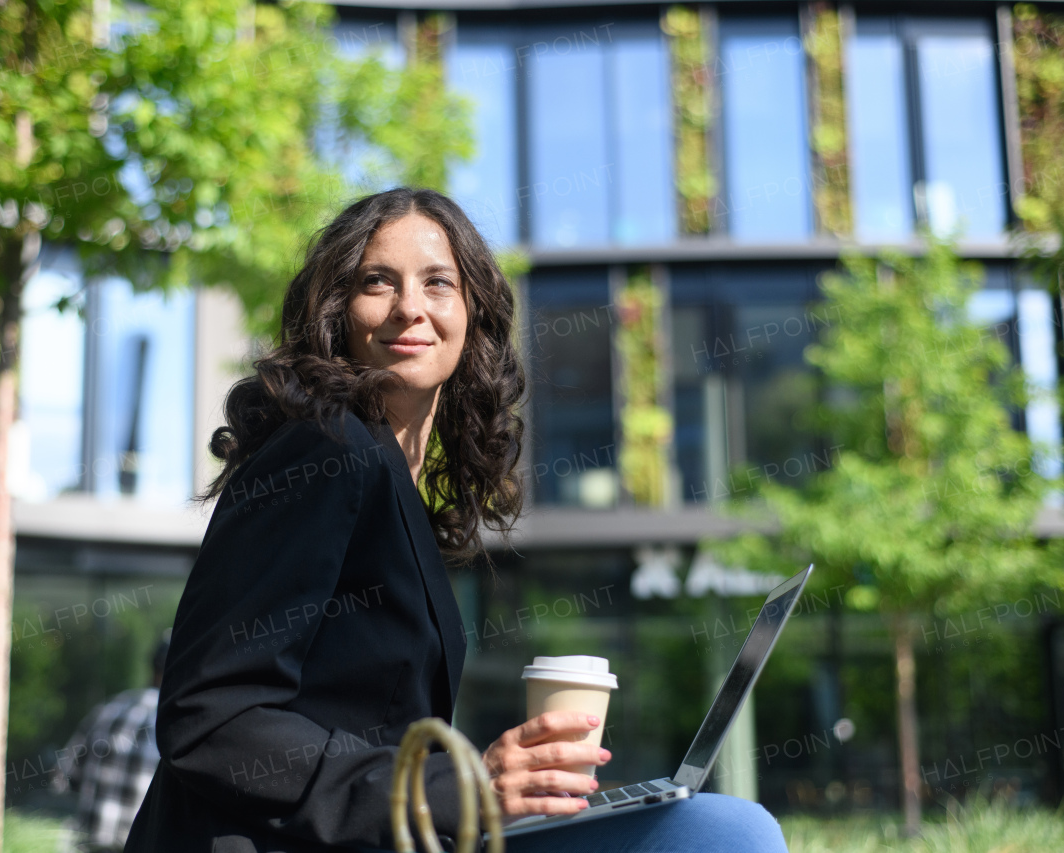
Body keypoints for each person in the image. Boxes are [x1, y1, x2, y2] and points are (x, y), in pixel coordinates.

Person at [124, 187, 788, 853]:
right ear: (336, 314)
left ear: (471, 312)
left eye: (437, 282)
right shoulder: (326, 449)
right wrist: (455, 786)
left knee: (713, 829)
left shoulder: (385, 470)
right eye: (376, 281)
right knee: (726, 833)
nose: (409, 306)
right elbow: (212, 718)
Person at [52, 631, 169, 852]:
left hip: (89, 843)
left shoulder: (109, 709)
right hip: (140, 845)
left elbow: (62, 777)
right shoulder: (178, 722)